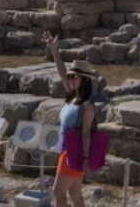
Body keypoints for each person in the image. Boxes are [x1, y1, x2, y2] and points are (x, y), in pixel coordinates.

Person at [43, 32, 97, 207]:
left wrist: (87, 161)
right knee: (75, 193)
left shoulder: (87, 106)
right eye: (72, 76)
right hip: (65, 150)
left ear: (85, 80)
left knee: (58, 191)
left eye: (76, 76)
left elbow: (86, 134)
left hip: (75, 154)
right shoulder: (71, 97)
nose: (72, 78)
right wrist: (54, 50)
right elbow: (61, 72)